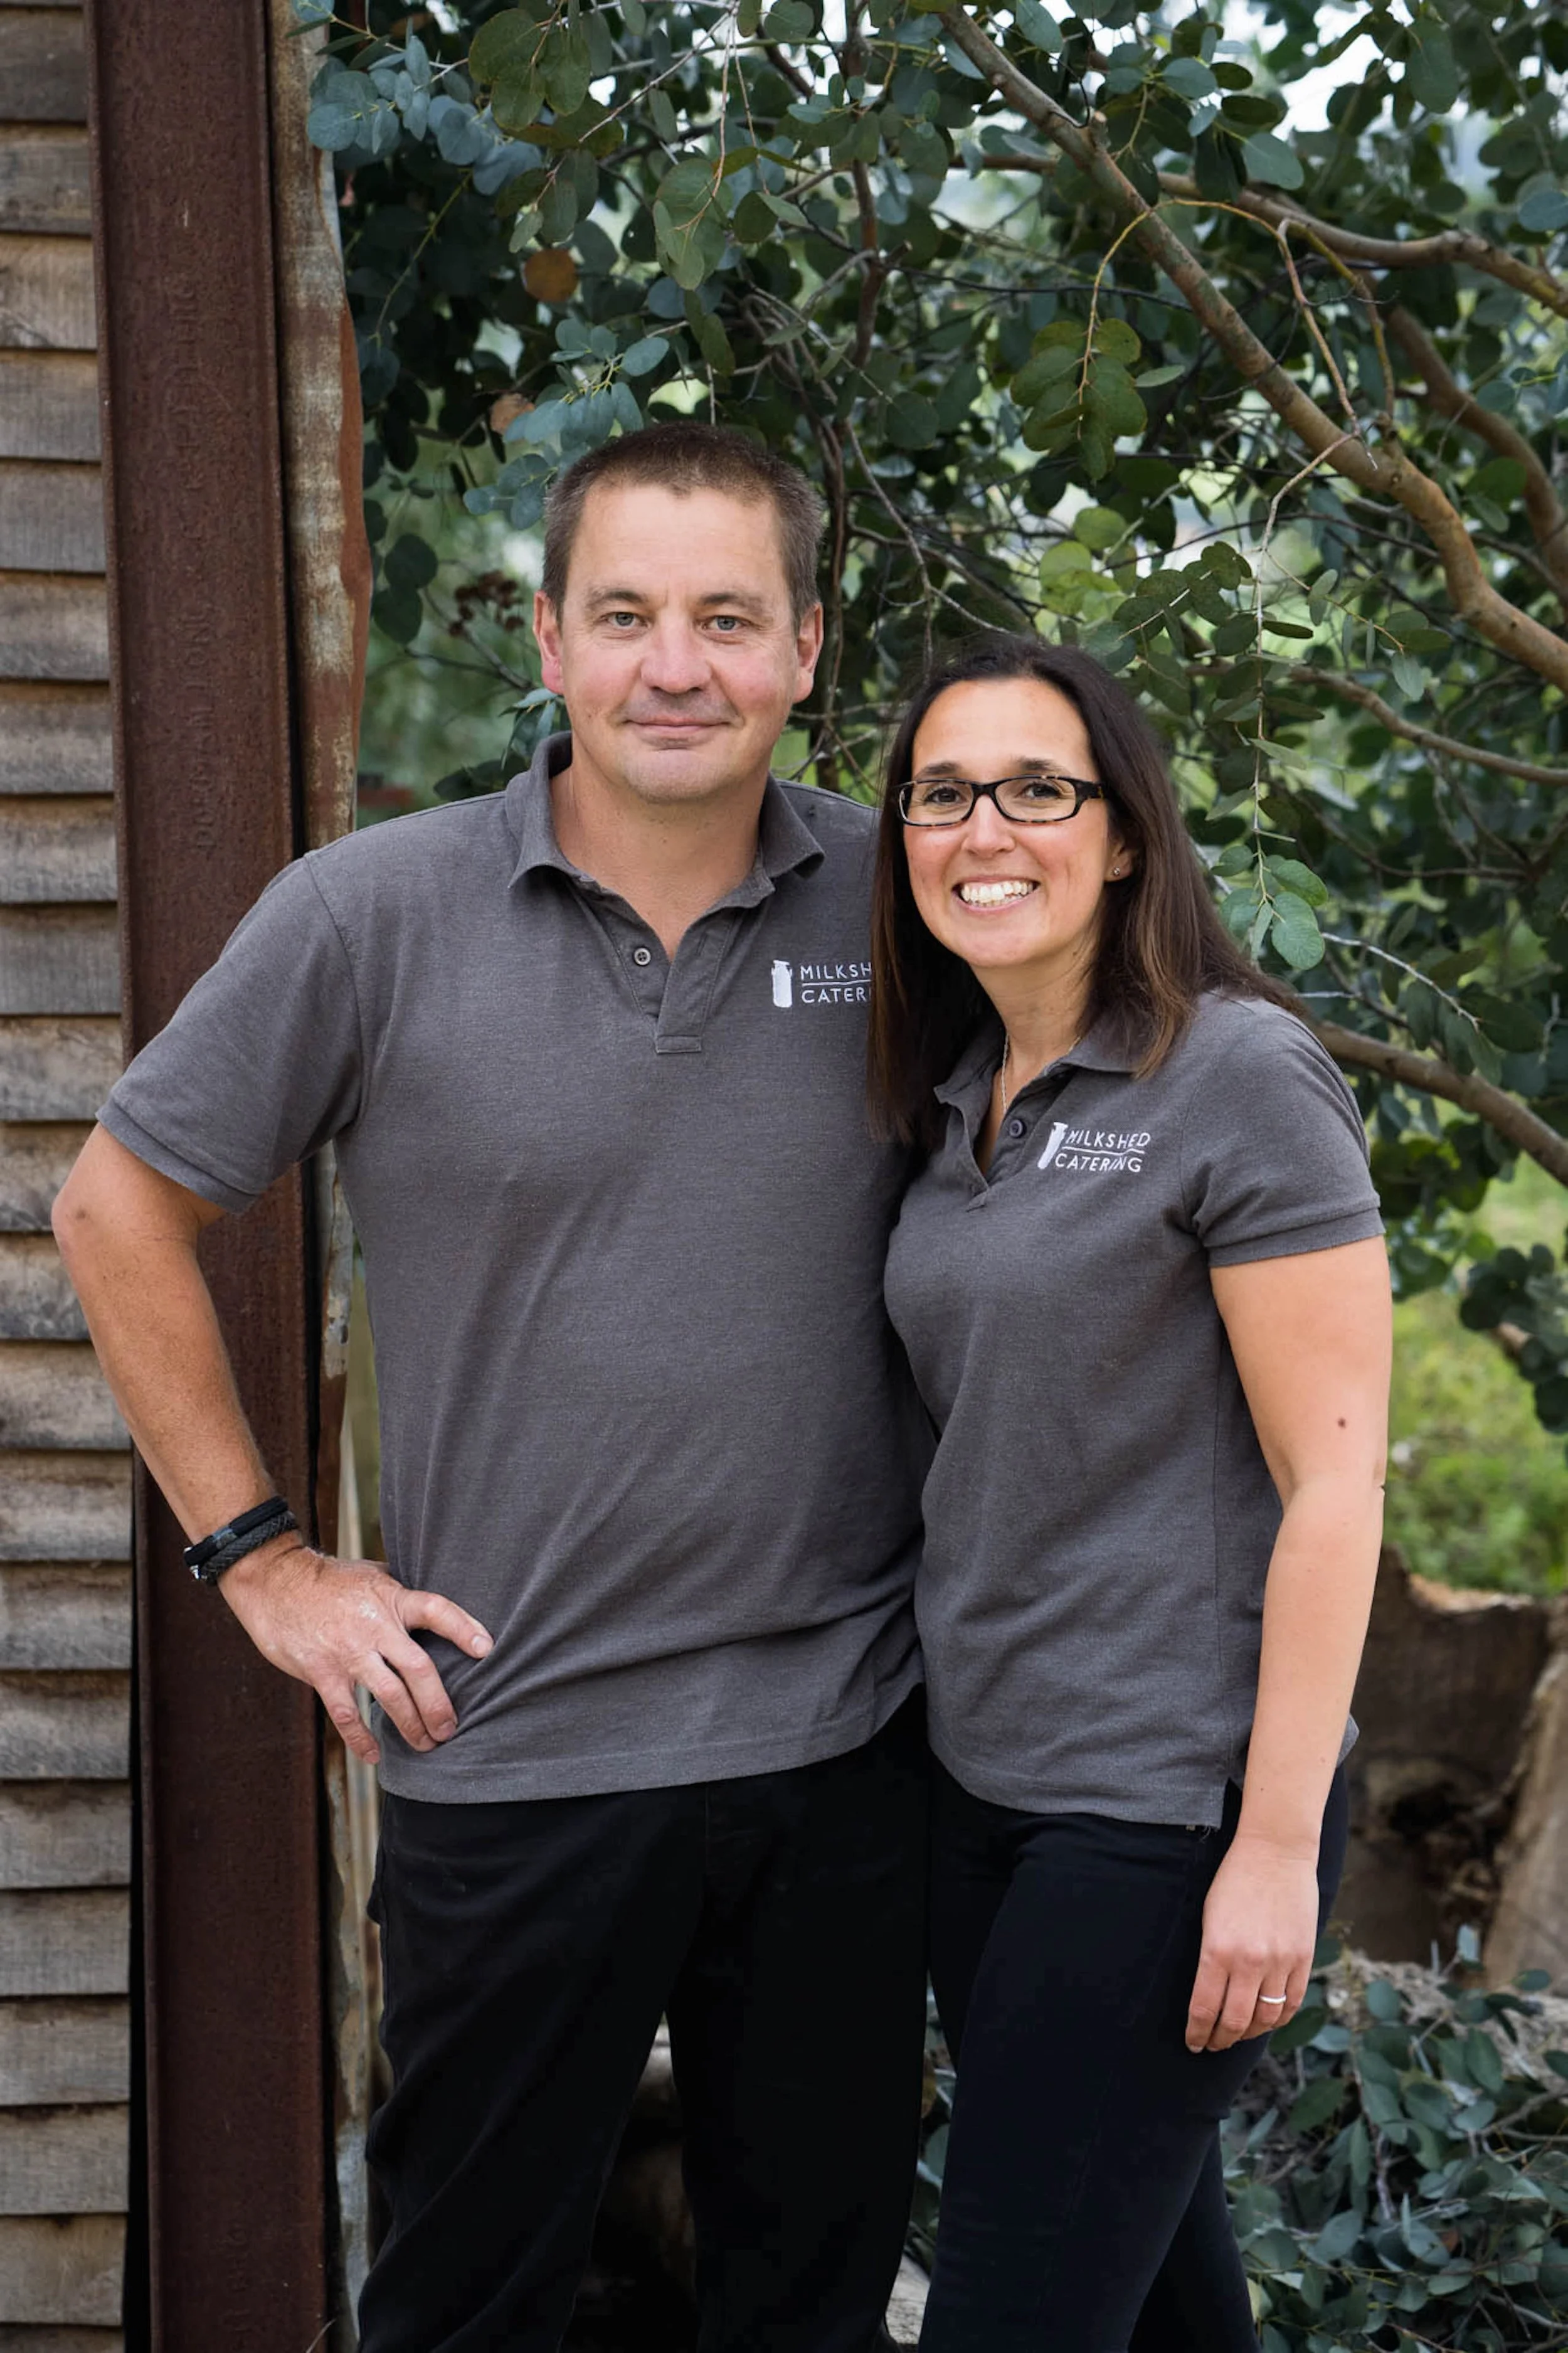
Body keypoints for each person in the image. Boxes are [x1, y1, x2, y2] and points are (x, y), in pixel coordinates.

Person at [52, 422, 933, 2353]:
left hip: (844, 1755)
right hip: (514, 1747)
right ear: (547, 640)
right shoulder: (367, 914)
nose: (671, 664)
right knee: (462, 2314)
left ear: (803, 648)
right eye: (622, 613)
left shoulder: (913, 908)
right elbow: (114, 1211)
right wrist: (268, 1564)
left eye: (723, 615)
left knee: (812, 2309)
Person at [866, 634, 1391, 2352]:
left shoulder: (1236, 1074)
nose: (982, 827)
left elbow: (1333, 1489)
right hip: (983, 1783)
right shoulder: (953, 1098)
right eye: (941, 793)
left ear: (1121, 834)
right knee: (1162, 2312)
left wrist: (1269, 1846)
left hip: (1161, 1811)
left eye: (1037, 786)